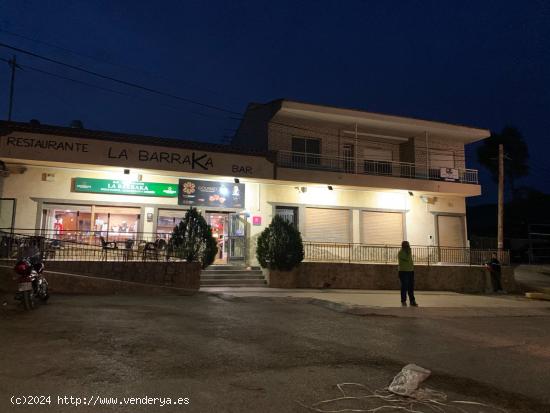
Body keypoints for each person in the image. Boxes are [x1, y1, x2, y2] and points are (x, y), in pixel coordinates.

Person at [398, 241, 418, 307]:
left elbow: (409, 260)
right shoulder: (401, 252)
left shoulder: (408, 252)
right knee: (404, 286)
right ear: (403, 246)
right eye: (407, 245)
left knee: (411, 286)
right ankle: (403, 301)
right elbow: (407, 259)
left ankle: (412, 301)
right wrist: (408, 251)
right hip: (403, 271)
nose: (408, 246)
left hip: (410, 271)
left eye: (408, 245)